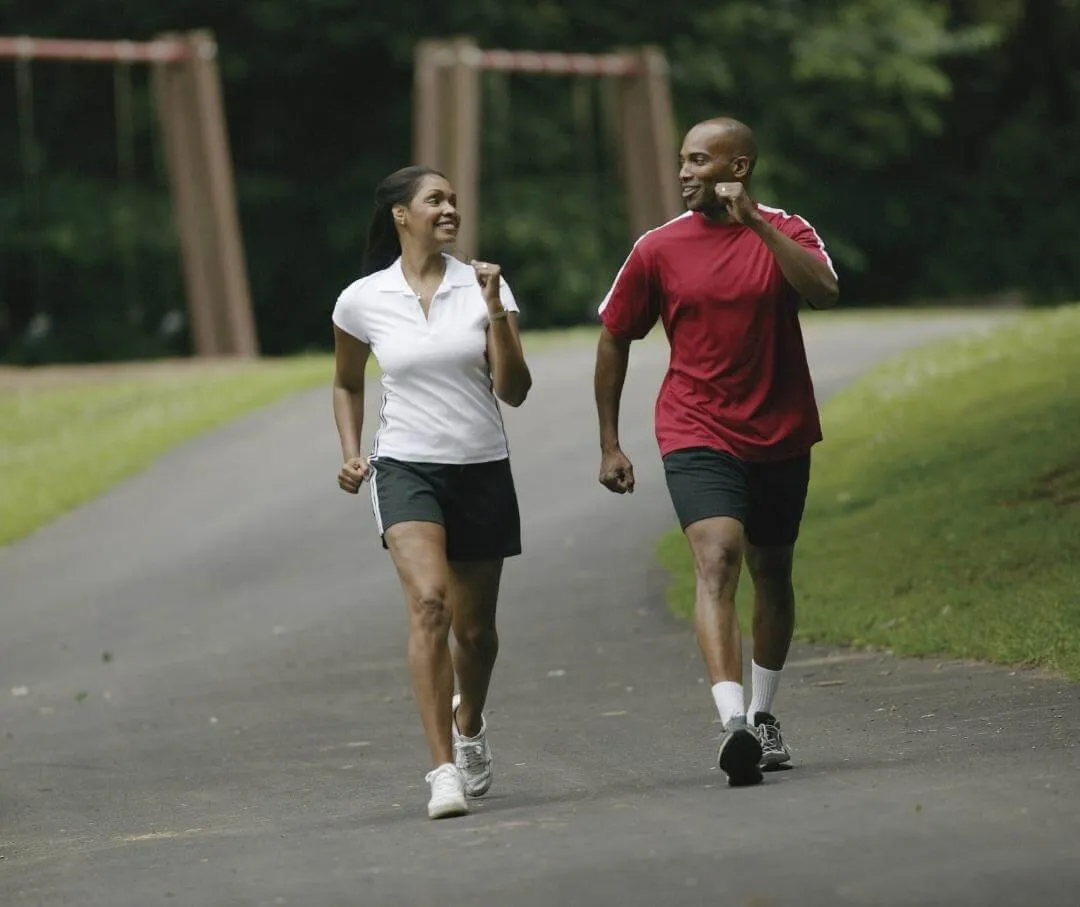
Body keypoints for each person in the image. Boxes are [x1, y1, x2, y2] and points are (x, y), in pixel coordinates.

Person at [593, 117, 839, 787]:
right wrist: (610, 441)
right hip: (695, 424)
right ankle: (731, 720)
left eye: (700, 160)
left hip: (781, 429)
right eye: (683, 159)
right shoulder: (658, 248)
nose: (684, 172)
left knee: (774, 570)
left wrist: (756, 225)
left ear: (740, 166)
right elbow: (615, 334)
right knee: (717, 554)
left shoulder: (788, 229)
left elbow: (822, 290)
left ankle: (763, 714)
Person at [331, 165, 532, 819]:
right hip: (406, 468)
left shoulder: (481, 290)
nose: (450, 208)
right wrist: (351, 450)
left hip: (481, 466)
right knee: (429, 605)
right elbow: (347, 381)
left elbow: (515, 389)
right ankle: (442, 768)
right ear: (400, 214)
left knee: (476, 635)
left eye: (453, 200)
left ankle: (469, 722)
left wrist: (496, 305)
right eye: (435, 199)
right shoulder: (362, 299)